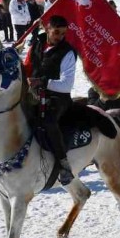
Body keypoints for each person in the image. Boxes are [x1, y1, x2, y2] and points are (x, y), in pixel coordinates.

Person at [28, 16, 78, 184]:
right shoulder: (37, 43)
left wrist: (43, 82)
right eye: (56, 32)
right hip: (32, 92)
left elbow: (66, 85)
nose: (60, 37)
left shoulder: (68, 52)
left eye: (63, 33)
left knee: (48, 120)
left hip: (57, 97)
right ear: (47, 29)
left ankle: (63, 163)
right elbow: (28, 65)